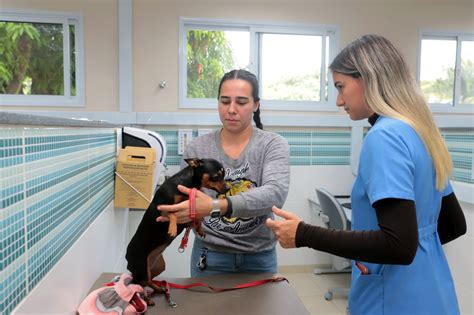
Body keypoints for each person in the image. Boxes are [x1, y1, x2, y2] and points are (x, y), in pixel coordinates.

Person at [266, 34, 466, 315]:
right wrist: (409, 252)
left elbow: (399, 245)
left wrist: (304, 234)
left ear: (369, 79)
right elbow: (454, 224)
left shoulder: (384, 137)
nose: (338, 100)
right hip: (432, 293)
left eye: (341, 87)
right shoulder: (421, 132)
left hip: (394, 300)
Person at [158, 69, 290, 277]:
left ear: (256, 104)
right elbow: (182, 197)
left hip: (259, 257)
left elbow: (275, 194)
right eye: (225, 101)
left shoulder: (272, 145)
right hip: (209, 257)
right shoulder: (197, 149)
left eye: (241, 102)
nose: (231, 109)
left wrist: (213, 206)